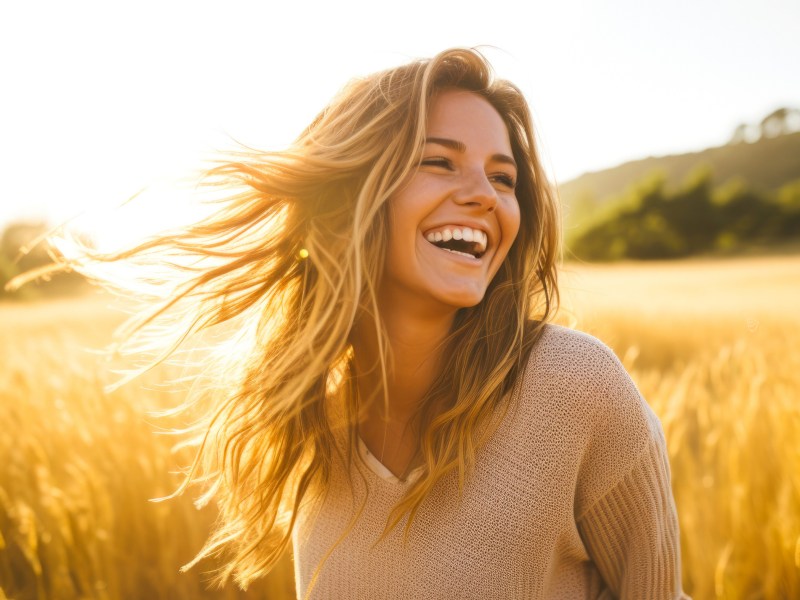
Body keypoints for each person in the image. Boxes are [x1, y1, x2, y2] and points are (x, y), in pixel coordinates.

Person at [47, 48, 688, 599]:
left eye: (503, 177)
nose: (485, 196)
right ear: (349, 194)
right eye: (438, 161)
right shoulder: (312, 428)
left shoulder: (573, 387)